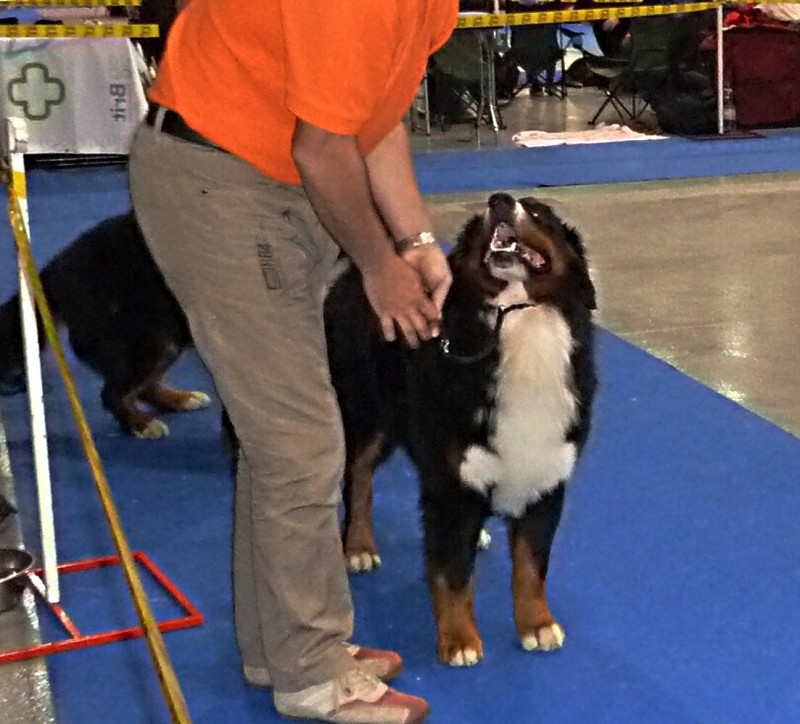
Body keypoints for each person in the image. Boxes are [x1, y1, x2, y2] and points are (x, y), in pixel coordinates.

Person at [127, 1, 457, 722]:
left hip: (272, 184)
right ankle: (310, 672)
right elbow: (324, 149)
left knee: (278, 440)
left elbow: (375, 121)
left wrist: (417, 242)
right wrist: (380, 265)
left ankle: (279, 648)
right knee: (300, 442)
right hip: (224, 182)